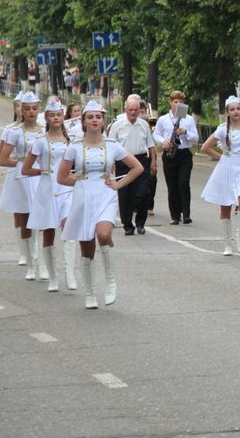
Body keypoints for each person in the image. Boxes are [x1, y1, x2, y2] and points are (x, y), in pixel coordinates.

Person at [57, 101, 144, 309]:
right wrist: (80, 182)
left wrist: (117, 184)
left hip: (106, 194)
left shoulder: (112, 145)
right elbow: (61, 177)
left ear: (103, 120)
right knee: (87, 246)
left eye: (98, 116)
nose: (95, 120)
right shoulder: (74, 147)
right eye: (90, 117)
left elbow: (137, 167)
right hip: (83, 197)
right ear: (83, 122)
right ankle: (90, 292)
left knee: (104, 235)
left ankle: (111, 282)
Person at [21, 99, 73, 291]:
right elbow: (26, 168)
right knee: (49, 230)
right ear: (47, 118)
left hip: (67, 187)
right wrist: (42, 171)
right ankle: (53, 277)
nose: (56, 118)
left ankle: (69, 271)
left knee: (68, 225)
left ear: (63, 116)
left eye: (59, 114)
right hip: (47, 187)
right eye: (52, 115)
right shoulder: (40, 142)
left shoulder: (70, 141)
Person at [201, 96, 240, 255]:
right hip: (226, 168)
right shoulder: (222, 129)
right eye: (232, 109)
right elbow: (205, 147)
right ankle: (227, 243)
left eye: (238, 109)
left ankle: (239, 236)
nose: (235, 112)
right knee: (225, 205)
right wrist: (222, 157)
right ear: (227, 112)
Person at [0, 92, 46, 281]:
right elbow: (2, 158)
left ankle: (41, 261)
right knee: (25, 219)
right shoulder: (14, 131)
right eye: (27, 108)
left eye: (34, 108)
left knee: (42, 220)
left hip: (40, 176)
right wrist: (22, 162)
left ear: (39, 108)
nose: (31, 112)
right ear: (21, 110)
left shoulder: (45, 130)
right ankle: (31, 263)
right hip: (22, 177)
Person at [108, 98, 157, 235]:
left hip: (141, 160)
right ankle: (128, 225)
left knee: (143, 193)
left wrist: (154, 161)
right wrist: (111, 162)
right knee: (125, 194)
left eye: (136, 110)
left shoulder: (144, 125)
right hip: (123, 161)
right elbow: (110, 145)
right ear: (125, 110)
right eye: (131, 110)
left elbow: (150, 145)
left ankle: (141, 223)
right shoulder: (118, 125)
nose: (133, 112)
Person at [153, 91, 199, 225]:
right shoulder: (163, 119)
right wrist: (163, 141)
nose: (178, 104)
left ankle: (186, 214)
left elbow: (196, 138)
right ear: (171, 102)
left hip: (184, 154)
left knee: (183, 184)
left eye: (181, 102)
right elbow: (156, 134)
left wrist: (185, 132)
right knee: (172, 185)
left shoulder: (188, 119)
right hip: (169, 154)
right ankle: (175, 215)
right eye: (175, 102)